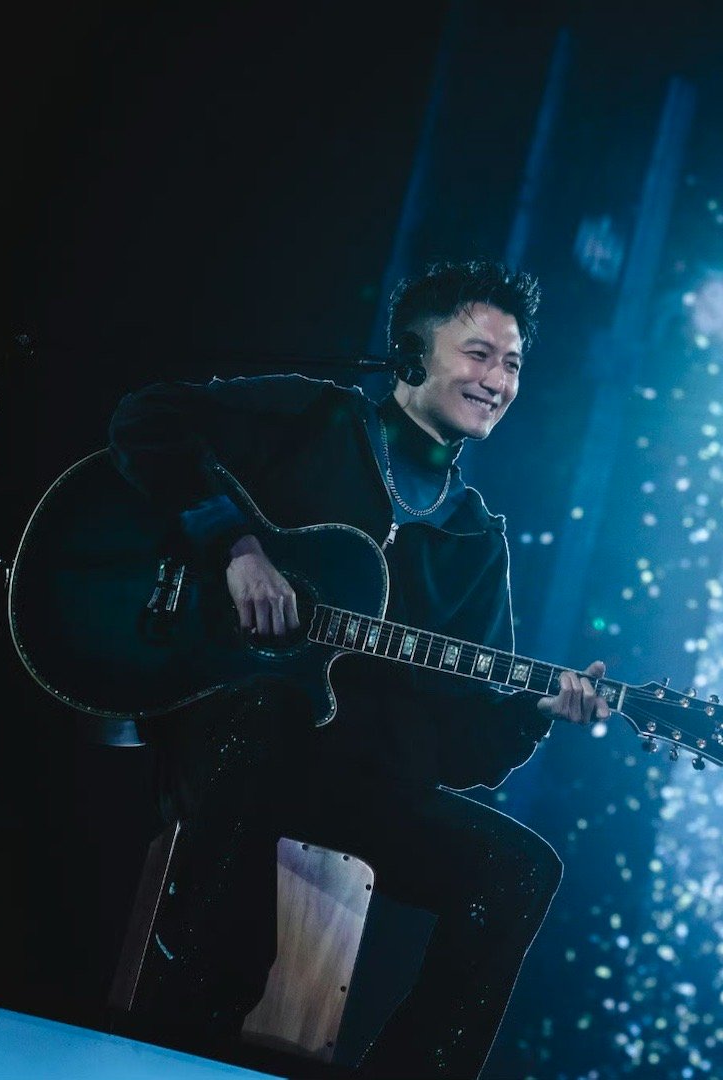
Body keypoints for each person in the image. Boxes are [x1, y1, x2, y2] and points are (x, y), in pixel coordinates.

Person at [104, 257, 607, 1077]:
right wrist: (236, 547)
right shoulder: (316, 417)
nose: (498, 381)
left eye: (513, 365)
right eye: (479, 354)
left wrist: (533, 713)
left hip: (350, 783)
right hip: (224, 727)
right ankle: (187, 1024)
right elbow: (146, 417)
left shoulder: (474, 540)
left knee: (520, 870)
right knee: (267, 712)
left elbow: (460, 754)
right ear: (411, 354)